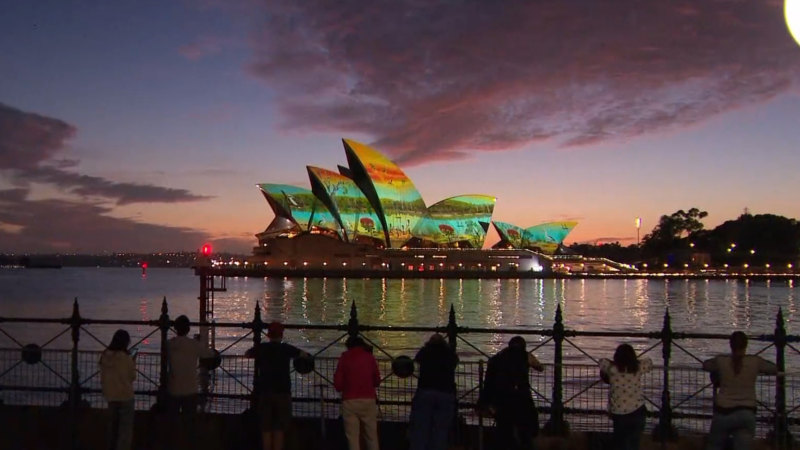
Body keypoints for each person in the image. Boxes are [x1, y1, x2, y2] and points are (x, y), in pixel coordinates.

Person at [702, 331, 778, 450]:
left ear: (730, 345)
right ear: (746, 345)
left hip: (723, 412)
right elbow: (774, 368)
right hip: (746, 412)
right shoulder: (755, 362)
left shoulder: (722, 361)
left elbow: (706, 365)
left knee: (714, 445)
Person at [245, 321, 308, 450]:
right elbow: (304, 354)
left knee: (266, 428)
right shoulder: (286, 348)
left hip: (265, 391)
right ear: (281, 335)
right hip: (283, 391)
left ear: (268, 335)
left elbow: (247, 353)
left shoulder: (262, 348)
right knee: (279, 428)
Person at [480, 336, 544, 450]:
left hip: (501, 399)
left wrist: (486, 402)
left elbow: (488, 382)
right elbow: (539, 367)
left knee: (504, 431)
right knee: (525, 429)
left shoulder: (496, 358)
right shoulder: (524, 355)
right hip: (521, 398)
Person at [166, 315, 215, 447]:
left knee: (172, 425)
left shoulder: (170, 344)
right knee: (190, 425)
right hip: (190, 389)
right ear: (188, 329)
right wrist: (202, 341)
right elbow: (209, 354)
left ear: (175, 328)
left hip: (174, 388)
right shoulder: (193, 345)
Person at [408, 333, 459, 450]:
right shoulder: (449, 354)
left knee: (421, 428)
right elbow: (455, 362)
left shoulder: (425, 352)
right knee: (441, 430)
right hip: (446, 391)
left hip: (426, 389)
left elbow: (417, 359)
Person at [599, 343, 653, 450]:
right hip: (638, 410)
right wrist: (635, 362)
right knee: (634, 443)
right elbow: (649, 362)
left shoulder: (612, 369)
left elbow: (601, 361)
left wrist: (613, 363)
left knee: (620, 443)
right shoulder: (637, 368)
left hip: (619, 412)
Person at [334, 336, 381, 450]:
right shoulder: (370, 357)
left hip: (349, 400)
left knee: (352, 438)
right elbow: (377, 380)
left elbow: (338, 384)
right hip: (368, 399)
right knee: (371, 436)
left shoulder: (344, 358)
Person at [99, 329, 137, 450]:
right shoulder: (126, 358)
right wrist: (133, 362)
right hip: (125, 396)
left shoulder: (104, 356)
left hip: (110, 396)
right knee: (124, 431)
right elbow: (132, 377)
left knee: (112, 429)